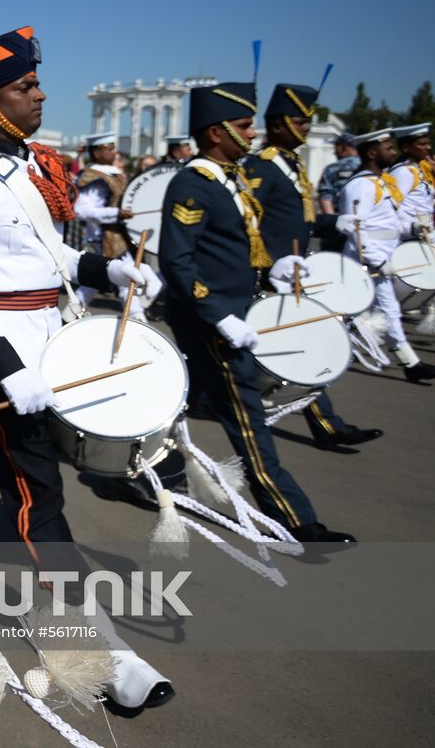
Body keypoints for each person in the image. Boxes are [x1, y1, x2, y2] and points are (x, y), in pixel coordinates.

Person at [0, 26, 170, 713]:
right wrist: (5, 369)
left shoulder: (32, 166)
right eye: (23, 86)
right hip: (4, 351)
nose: (38, 94)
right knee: (39, 495)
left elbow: (52, 259)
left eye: (35, 83)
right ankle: (97, 650)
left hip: (47, 338)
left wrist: (106, 268)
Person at [159, 79, 356, 541]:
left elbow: (240, 244)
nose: (252, 134)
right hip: (214, 320)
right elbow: (177, 259)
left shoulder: (234, 178)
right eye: (243, 126)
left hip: (238, 310)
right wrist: (218, 316)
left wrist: (276, 267)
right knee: (246, 415)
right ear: (214, 132)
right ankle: (294, 519)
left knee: (190, 402)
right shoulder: (194, 183)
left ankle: (142, 472)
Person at [244, 83, 383, 450]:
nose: (306, 128)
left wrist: (330, 223)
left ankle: (326, 424)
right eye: (299, 122)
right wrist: (268, 266)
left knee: (282, 349)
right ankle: (326, 424)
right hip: (269, 274)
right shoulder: (261, 166)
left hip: (291, 270)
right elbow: (246, 219)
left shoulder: (289, 165)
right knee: (302, 347)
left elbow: (297, 220)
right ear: (277, 126)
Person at [338, 130, 435, 381]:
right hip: (367, 259)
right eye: (388, 148)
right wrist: (375, 260)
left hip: (383, 254)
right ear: (371, 153)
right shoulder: (361, 185)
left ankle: (408, 363)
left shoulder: (380, 182)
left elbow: (389, 223)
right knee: (380, 309)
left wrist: (413, 227)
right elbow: (354, 229)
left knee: (376, 310)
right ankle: (409, 363)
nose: (393, 152)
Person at [72, 133, 137, 308]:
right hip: (102, 237)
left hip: (117, 235)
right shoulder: (93, 176)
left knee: (99, 281)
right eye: (109, 149)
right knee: (125, 279)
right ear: (97, 152)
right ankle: (137, 318)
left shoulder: (115, 173)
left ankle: (71, 312)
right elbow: (81, 210)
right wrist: (116, 213)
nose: (114, 152)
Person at [388, 123, 432, 236]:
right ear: (405, 148)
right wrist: (411, 227)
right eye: (422, 144)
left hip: (427, 232)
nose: (428, 147)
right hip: (412, 236)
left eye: (428, 143)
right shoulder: (403, 172)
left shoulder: (418, 169)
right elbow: (390, 208)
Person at [317, 133, 361, 216]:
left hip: (340, 220)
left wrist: (332, 221)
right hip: (368, 221)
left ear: (343, 148)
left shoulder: (332, 169)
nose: (334, 153)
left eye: (336, 148)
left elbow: (325, 197)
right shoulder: (369, 166)